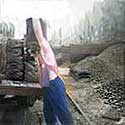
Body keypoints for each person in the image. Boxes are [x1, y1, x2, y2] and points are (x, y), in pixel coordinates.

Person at [32, 18, 73, 125]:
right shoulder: (40, 56)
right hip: (48, 87)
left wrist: (34, 16)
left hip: (55, 85)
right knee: (48, 113)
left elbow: (38, 33)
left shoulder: (46, 50)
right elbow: (42, 74)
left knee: (63, 113)